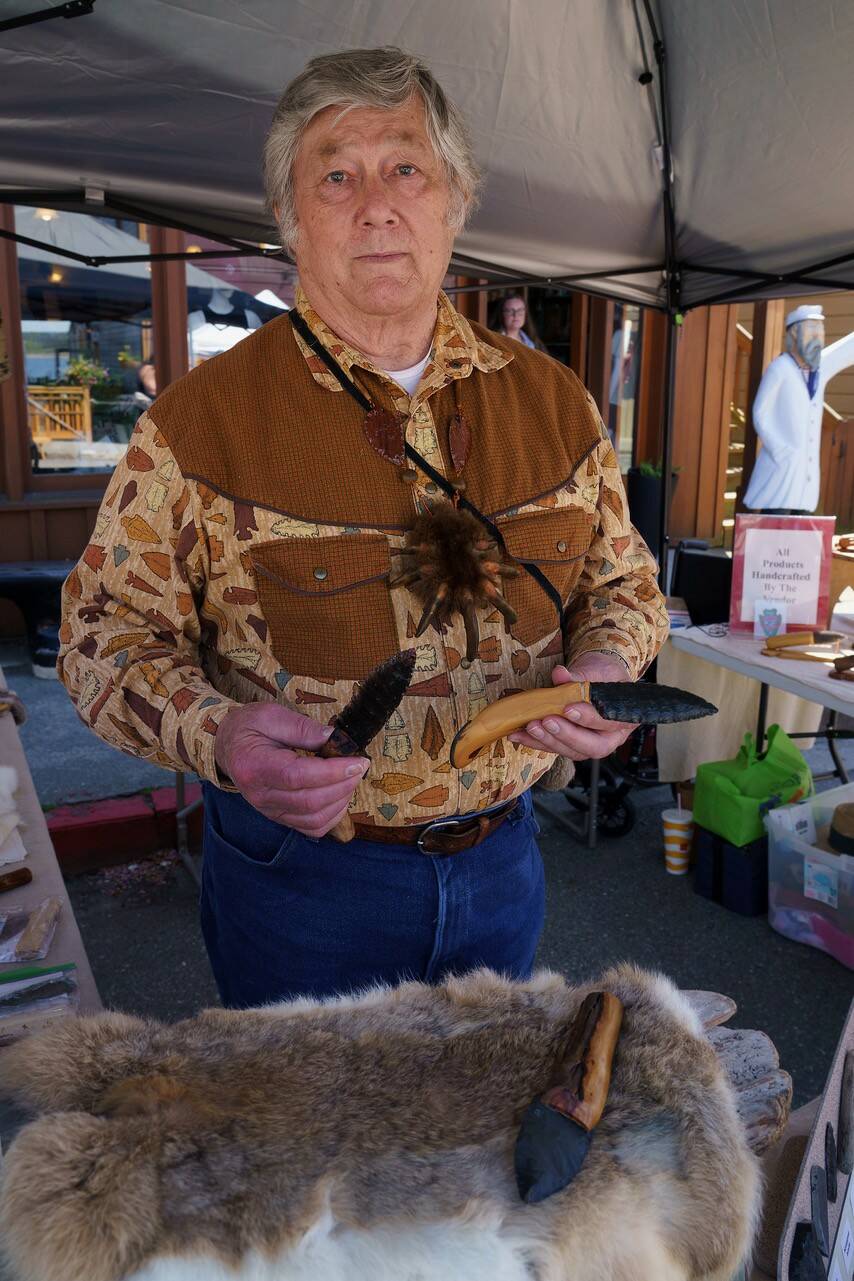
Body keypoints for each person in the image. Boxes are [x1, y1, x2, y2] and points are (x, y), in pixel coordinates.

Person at [58, 47, 668, 1009]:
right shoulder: (198, 423)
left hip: (506, 859)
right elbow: (100, 643)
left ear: (456, 201)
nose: (376, 202)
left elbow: (626, 587)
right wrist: (220, 737)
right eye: (336, 174)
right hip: (300, 885)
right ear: (291, 219)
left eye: (406, 168)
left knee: (476, 1145)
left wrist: (606, 663)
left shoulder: (557, 404)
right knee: (305, 1154)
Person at [743, 303, 854, 514]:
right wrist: (780, 449)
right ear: (794, 333)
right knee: (775, 528)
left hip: (805, 480)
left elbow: (847, 350)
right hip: (780, 475)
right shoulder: (780, 369)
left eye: (821, 331)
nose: (818, 337)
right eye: (812, 330)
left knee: (801, 533)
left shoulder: (819, 369)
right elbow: (760, 413)